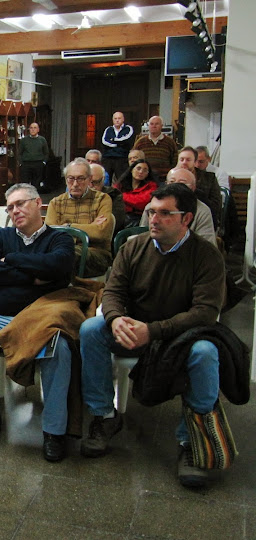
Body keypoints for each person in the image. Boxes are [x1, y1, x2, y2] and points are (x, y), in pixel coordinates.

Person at [79, 183, 225, 488]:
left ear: (186, 219)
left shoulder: (206, 256)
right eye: (151, 212)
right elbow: (113, 290)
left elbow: (205, 312)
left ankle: (192, 441)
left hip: (181, 335)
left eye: (164, 213)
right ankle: (104, 416)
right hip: (136, 328)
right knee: (92, 329)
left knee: (206, 352)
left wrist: (154, 331)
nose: (154, 219)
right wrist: (116, 318)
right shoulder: (134, 246)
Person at [0, 184, 75, 461]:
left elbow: (59, 269)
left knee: (60, 352)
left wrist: (10, 260)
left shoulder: (60, 240)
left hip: (39, 316)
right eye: (10, 207)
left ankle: (54, 431)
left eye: (21, 204)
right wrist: (34, 277)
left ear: (38, 204)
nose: (15, 211)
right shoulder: (0, 236)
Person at [46, 158, 114, 277]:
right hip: (63, 251)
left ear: (89, 179)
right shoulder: (56, 203)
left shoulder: (102, 199)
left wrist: (68, 227)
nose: (75, 184)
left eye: (81, 178)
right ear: (66, 180)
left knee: (67, 255)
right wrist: (89, 228)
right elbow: (49, 233)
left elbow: (100, 233)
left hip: (96, 254)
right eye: (71, 179)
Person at [139, 168, 216, 246]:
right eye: (171, 182)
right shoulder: (151, 207)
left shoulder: (202, 210)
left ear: (193, 188)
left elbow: (207, 244)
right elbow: (142, 236)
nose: (175, 187)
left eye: (165, 213)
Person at [177, 146, 222, 229]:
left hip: (203, 217)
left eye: (188, 160)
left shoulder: (209, 178)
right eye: (181, 159)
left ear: (194, 162)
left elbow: (216, 206)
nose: (184, 162)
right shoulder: (172, 178)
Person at [132, 116, 178, 182]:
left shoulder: (170, 142)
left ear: (161, 126)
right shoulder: (140, 142)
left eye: (157, 124)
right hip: (145, 178)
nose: (154, 126)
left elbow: (175, 159)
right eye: (151, 124)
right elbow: (134, 158)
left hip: (163, 178)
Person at [116, 159, 158, 228]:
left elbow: (141, 202)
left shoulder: (151, 186)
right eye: (138, 168)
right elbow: (114, 197)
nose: (141, 172)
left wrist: (121, 196)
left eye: (145, 170)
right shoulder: (121, 183)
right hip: (121, 215)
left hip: (139, 218)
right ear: (132, 170)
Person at [90, 163, 125, 233]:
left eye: (95, 182)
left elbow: (113, 224)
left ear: (103, 180)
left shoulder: (114, 195)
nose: (90, 186)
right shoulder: (78, 195)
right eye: (88, 181)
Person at [101, 111, 135, 181]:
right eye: (115, 118)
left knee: (122, 180)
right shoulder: (108, 129)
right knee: (106, 179)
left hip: (122, 158)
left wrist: (113, 140)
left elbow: (127, 140)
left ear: (123, 119)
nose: (117, 120)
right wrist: (119, 145)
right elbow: (104, 142)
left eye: (119, 118)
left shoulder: (128, 128)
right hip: (108, 158)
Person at [18, 122, 49, 192]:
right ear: (29, 129)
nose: (33, 130)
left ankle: (34, 200)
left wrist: (44, 162)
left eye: (35, 128)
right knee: (25, 185)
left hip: (38, 164)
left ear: (38, 130)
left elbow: (46, 153)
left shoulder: (42, 140)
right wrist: (21, 163)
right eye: (31, 128)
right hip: (26, 164)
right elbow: (19, 153)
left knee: (36, 184)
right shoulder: (24, 140)